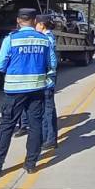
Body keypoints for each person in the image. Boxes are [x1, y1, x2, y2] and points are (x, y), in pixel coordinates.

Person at [0, 8, 57, 178]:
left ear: (18, 21)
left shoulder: (11, 39)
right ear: (34, 21)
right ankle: (30, 164)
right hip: (37, 89)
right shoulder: (44, 40)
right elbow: (52, 64)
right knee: (35, 125)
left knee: (7, 127)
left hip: (15, 90)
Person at [36, 15, 59, 149]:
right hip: (49, 76)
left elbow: (50, 61)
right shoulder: (49, 36)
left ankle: (49, 138)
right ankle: (49, 137)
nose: (35, 27)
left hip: (47, 77)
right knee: (48, 108)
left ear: (41, 25)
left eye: (36, 24)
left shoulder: (46, 38)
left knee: (47, 109)